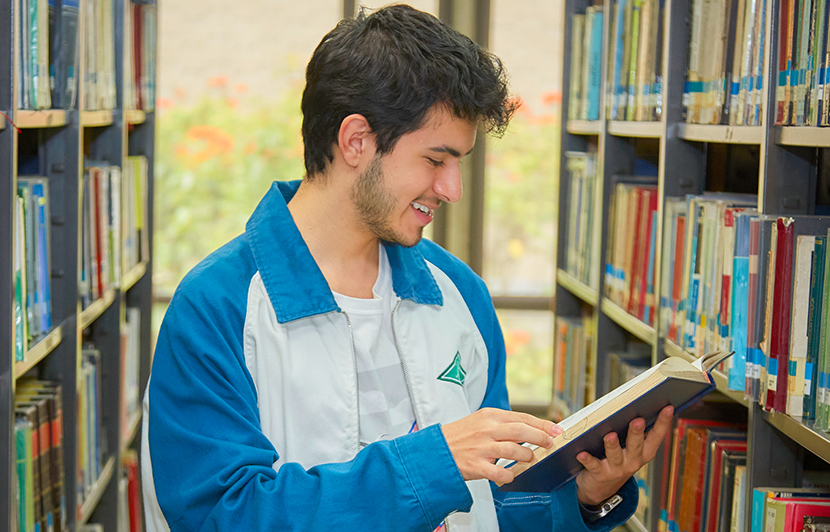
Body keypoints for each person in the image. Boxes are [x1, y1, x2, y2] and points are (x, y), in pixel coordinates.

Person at [141, 4, 673, 531]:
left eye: (458, 164)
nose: (452, 190)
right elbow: (221, 515)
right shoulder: (216, 308)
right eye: (435, 160)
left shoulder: (460, 293)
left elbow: (490, 504)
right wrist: (434, 461)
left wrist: (583, 496)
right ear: (356, 141)